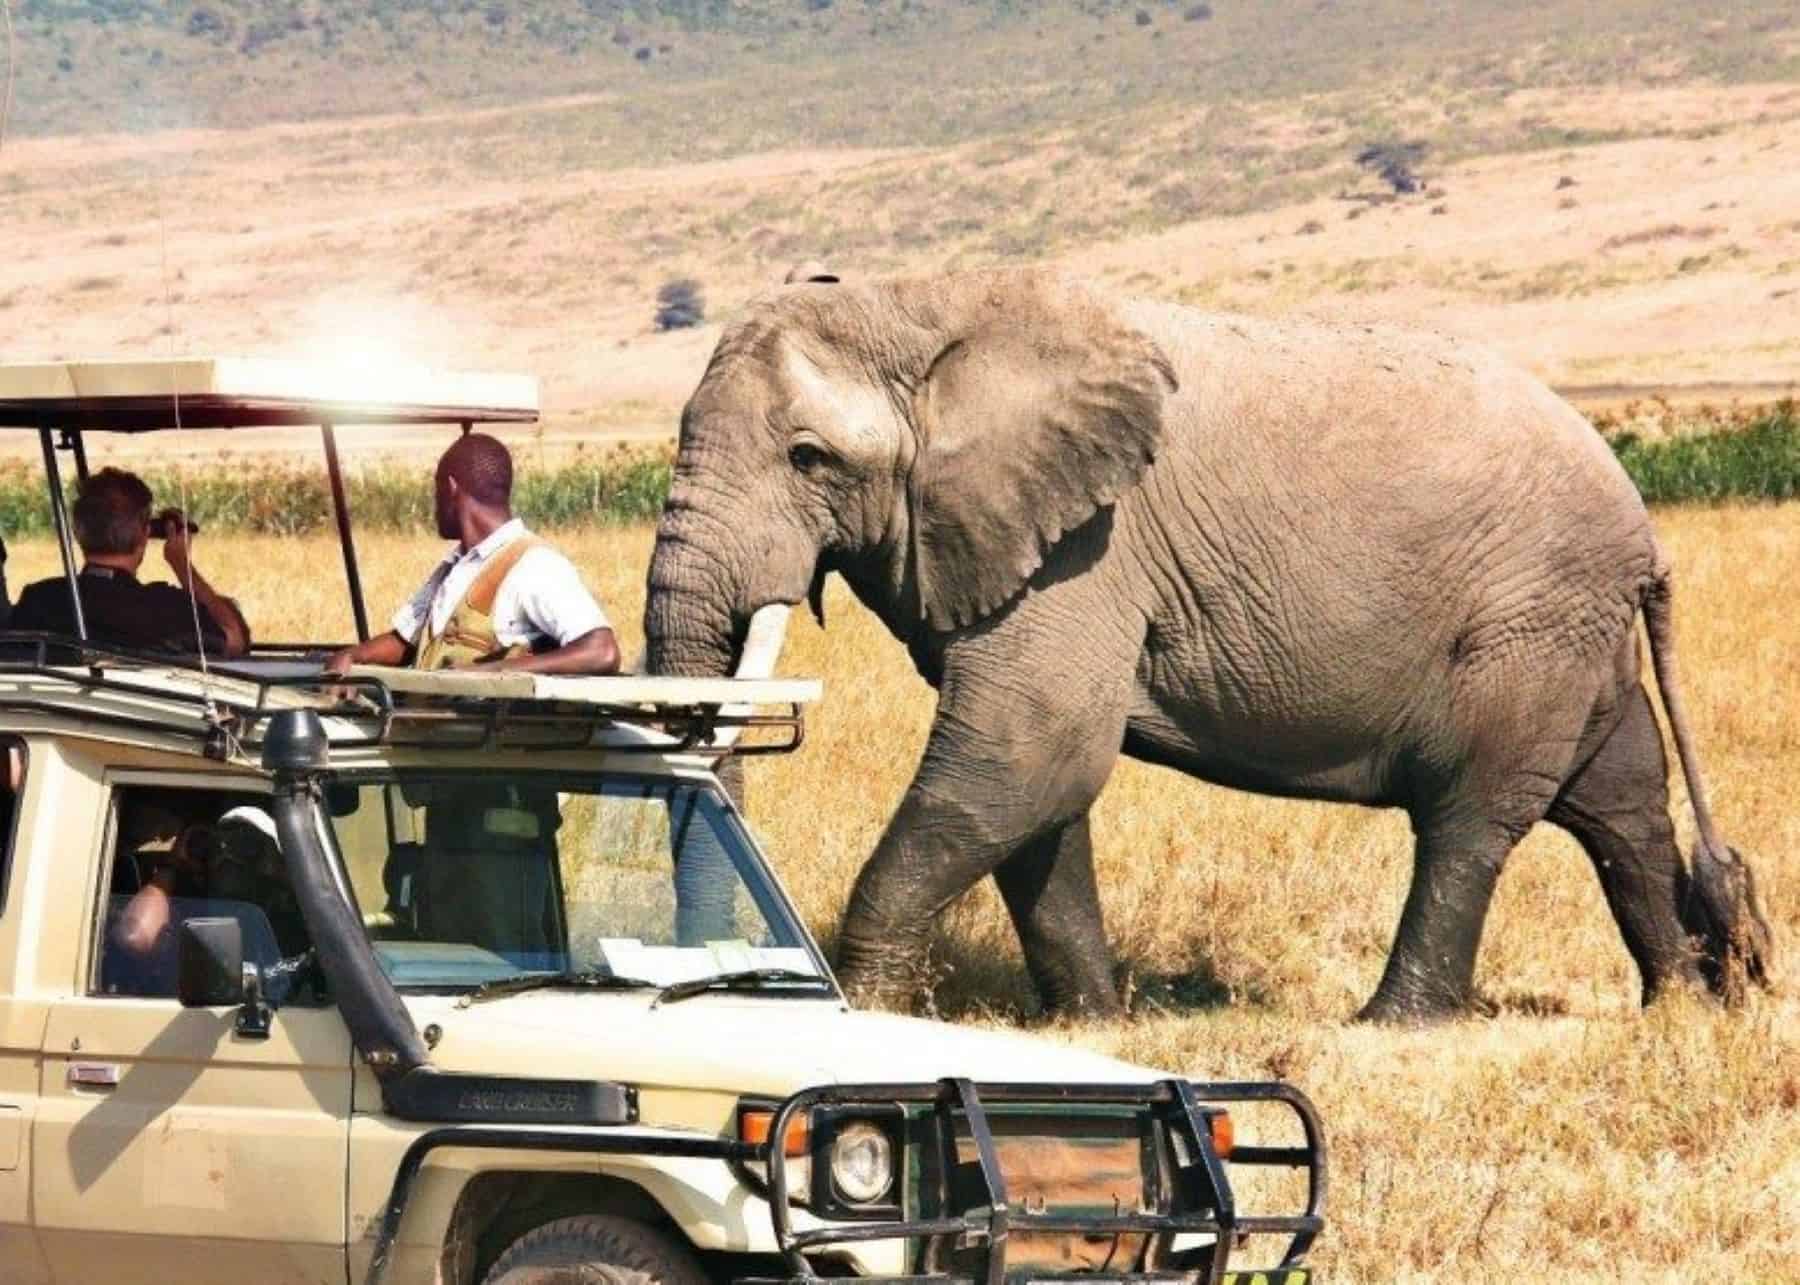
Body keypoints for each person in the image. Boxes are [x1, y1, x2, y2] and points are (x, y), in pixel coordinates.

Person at [324, 433, 618, 675]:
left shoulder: (534, 565)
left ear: (451, 489)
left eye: (435, 491)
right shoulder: (453, 568)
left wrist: (496, 671)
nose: (435, 507)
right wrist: (352, 655)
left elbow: (601, 650)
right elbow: (406, 639)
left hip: (487, 738)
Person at [8, 468, 250, 656]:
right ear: (145, 533)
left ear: (78, 532)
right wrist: (182, 564)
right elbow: (235, 639)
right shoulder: (166, 607)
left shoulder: (38, 599)